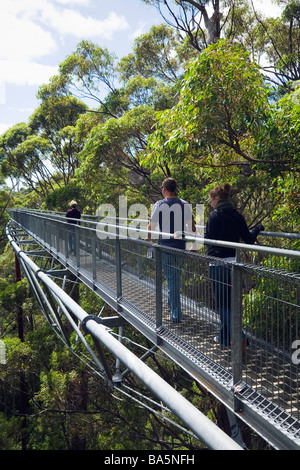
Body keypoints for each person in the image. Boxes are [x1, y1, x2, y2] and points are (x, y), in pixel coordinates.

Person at [205, 183, 264, 348]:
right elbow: (249, 240)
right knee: (230, 304)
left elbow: (207, 239)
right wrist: (258, 229)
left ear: (217, 199)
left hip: (217, 265)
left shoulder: (214, 216)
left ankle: (240, 336)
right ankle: (223, 338)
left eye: (211, 200)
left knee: (222, 304)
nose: (210, 203)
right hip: (234, 265)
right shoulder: (238, 216)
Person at [147, 178, 196, 323]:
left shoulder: (159, 205)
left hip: (166, 247)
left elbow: (152, 226)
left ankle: (176, 314)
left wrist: (148, 240)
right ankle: (172, 307)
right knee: (175, 279)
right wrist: (194, 244)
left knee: (172, 280)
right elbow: (192, 227)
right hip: (181, 247)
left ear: (164, 189)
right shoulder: (184, 204)